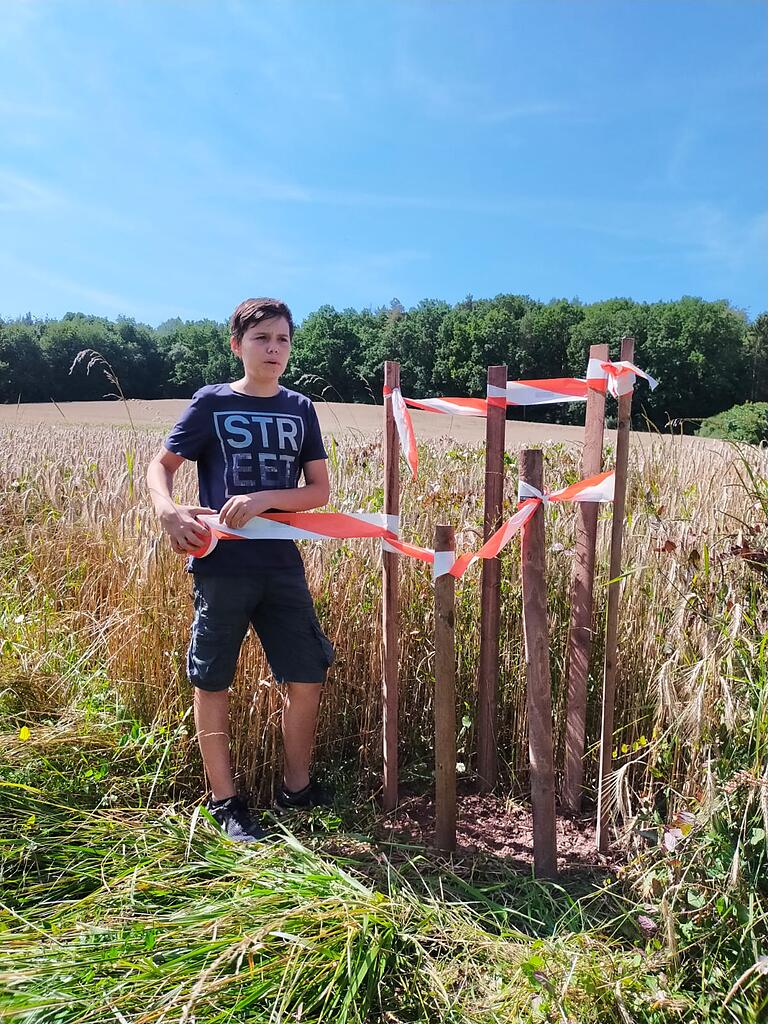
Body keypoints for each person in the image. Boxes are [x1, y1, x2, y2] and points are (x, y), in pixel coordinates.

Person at [146, 297, 334, 842]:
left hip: (281, 567)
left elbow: (318, 491)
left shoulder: (300, 409)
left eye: (282, 339)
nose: (273, 349)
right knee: (213, 680)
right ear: (237, 346)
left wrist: (261, 499)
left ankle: (296, 789)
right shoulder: (211, 403)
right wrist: (168, 510)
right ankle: (224, 802)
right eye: (261, 339)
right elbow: (160, 466)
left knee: (306, 674)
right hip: (221, 567)